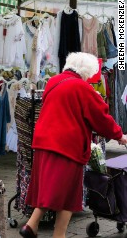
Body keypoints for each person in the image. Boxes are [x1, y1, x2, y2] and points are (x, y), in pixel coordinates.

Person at [19, 52, 127, 238]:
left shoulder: (53, 81)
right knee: (69, 194)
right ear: (86, 71)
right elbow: (100, 117)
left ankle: (31, 225)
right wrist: (119, 135)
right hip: (66, 147)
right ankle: (58, 235)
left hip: (44, 143)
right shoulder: (81, 88)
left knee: (51, 188)